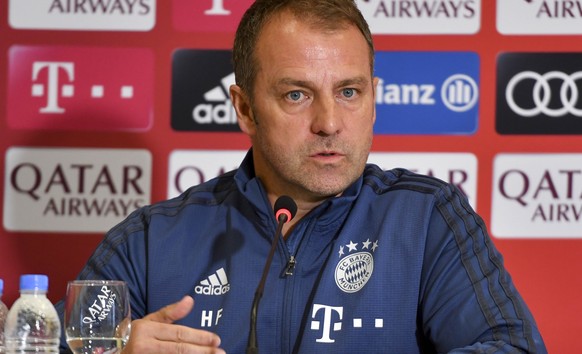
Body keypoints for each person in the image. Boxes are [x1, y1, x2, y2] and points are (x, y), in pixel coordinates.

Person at [57, 0, 547, 352]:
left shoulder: (426, 218)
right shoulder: (148, 240)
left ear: (374, 97)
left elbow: (511, 347)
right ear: (244, 108)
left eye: (350, 92)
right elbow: (44, 344)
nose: (330, 121)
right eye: (297, 95)